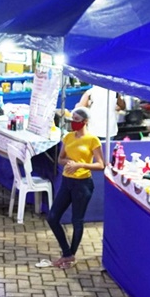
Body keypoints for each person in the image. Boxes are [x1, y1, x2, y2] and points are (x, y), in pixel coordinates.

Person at [45, 107, 104, 269]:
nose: (73, 124)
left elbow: (100, 164)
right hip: (67, 181)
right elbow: (61, 158)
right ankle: (67, 253)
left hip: (83, 184)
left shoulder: (93, 140)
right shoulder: (68, 137)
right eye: (71, 121)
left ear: (84, 122)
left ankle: (70, 256)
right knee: (53, 217)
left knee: (77, 220)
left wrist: (80, 164)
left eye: (76, 121)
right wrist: (68, 163)